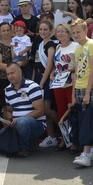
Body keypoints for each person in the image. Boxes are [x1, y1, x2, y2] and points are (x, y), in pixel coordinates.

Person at [70, 18, 93, 167]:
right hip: (79, 87)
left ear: (86, 31)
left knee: (88, 119)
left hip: (90, 87)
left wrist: (87, 92)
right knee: (85, 118)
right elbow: (77, 73)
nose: (76, 35)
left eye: (79, 32)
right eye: (74, 33)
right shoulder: (78, 48)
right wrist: (73, 92)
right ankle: (92, 151)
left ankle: (86, 154)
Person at [41, 23, 78, 151]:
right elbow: (56, 65)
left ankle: (74, 140)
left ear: (69, 34)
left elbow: (79, 65)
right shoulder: (57, 47)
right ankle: (64, 138)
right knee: (62, 111)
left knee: (72, 110)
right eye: (59, 31)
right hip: (58, 84)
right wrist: (52, 74)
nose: (61, 33)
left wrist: (69, 71)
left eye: (63, 31)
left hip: (71, 83)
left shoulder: (75, 46)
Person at [0, 62, 45, 157]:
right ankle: (25, 142)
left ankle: (24, 147)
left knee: (22, 123)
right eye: (8, 74)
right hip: (17, 123)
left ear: (20, 72)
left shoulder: (32, 86)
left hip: (36, 124)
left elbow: (40, 111)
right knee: (1, 134)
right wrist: (9, 121)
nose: (10, 76)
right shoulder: (7, 90)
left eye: (12, 73)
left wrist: (19, 119)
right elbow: (9, 110)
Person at [32, 20, 60, 148]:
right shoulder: (39, 43)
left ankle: (62, 126)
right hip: (38, 76)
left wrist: (42, 82)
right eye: (41, 29)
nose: (42, 32)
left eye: (45, 29)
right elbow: (36, 63)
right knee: (43, 110)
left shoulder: (50, 45)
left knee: (46, 108)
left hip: (46, 78)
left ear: (50, 31)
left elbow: (49, 65)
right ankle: (51, 136)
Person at [0, 22, 14, 110]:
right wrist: (14, 68)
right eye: (3, 30)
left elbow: (25, 59)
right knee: (6, 105)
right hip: (5, 78)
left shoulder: (17, 41)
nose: (6, 32)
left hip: (18, 78)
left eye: (8, 30)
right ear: (0, 32)